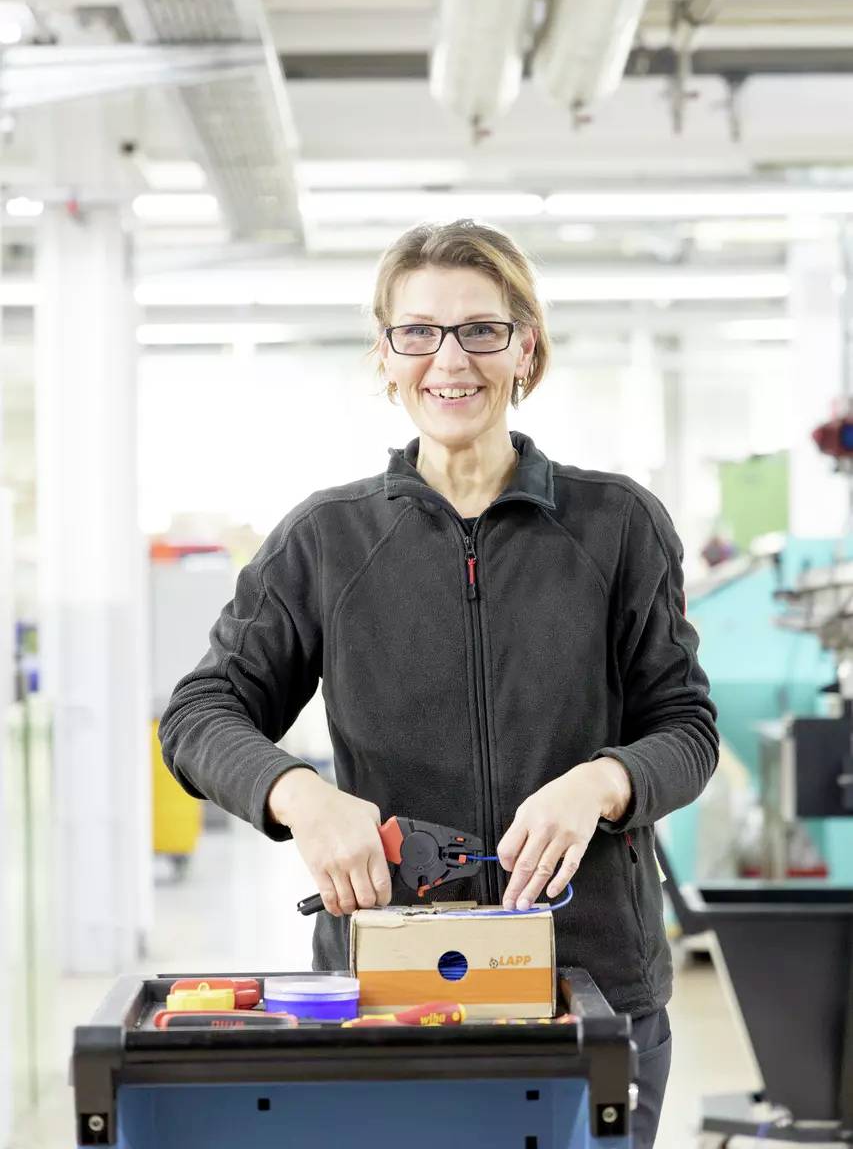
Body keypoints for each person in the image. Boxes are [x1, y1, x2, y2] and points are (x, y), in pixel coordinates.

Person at [159, 218, 718, 1148]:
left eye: (479, 330)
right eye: (417, 331)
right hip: (389, 986)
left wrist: (601, 783)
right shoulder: (326, 540)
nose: (447, 360)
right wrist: (300, 796)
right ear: (385, 354)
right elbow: (199, 712)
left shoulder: (616, 523)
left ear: (523, 347)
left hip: (588, 986)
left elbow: (686, 728)